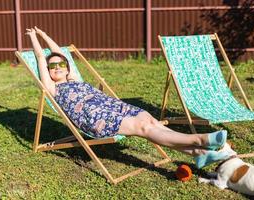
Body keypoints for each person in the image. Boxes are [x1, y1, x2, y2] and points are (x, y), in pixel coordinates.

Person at [26, 27, 233, 169]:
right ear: (48, 71)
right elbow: (40, 58)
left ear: (67, 67)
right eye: (52, 66)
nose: (57, 68)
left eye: (61, 65)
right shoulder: (53, 87)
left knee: (148, 119)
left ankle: (198, 154)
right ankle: (200, 139)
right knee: (143, 128)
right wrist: (34, 38)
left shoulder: (73, 77)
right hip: (95, 117)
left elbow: (60, 53)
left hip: (110, 105)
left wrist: (44, 34)